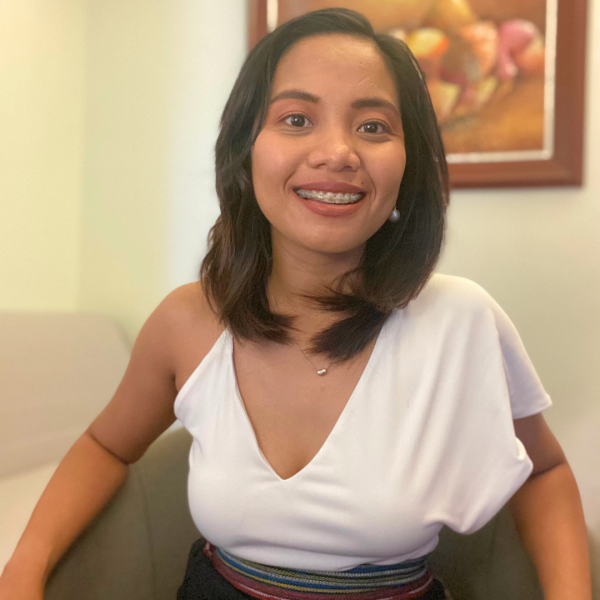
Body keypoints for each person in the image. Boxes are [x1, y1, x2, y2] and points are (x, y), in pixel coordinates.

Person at [0, 8, 591, 600]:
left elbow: (542, 471)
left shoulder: (461, 321)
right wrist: (25, 566)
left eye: (373, 127)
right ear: (245, 151)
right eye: (297, 118)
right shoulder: (187, 321)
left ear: (407, 164)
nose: (337, 152)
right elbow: (105, 446)